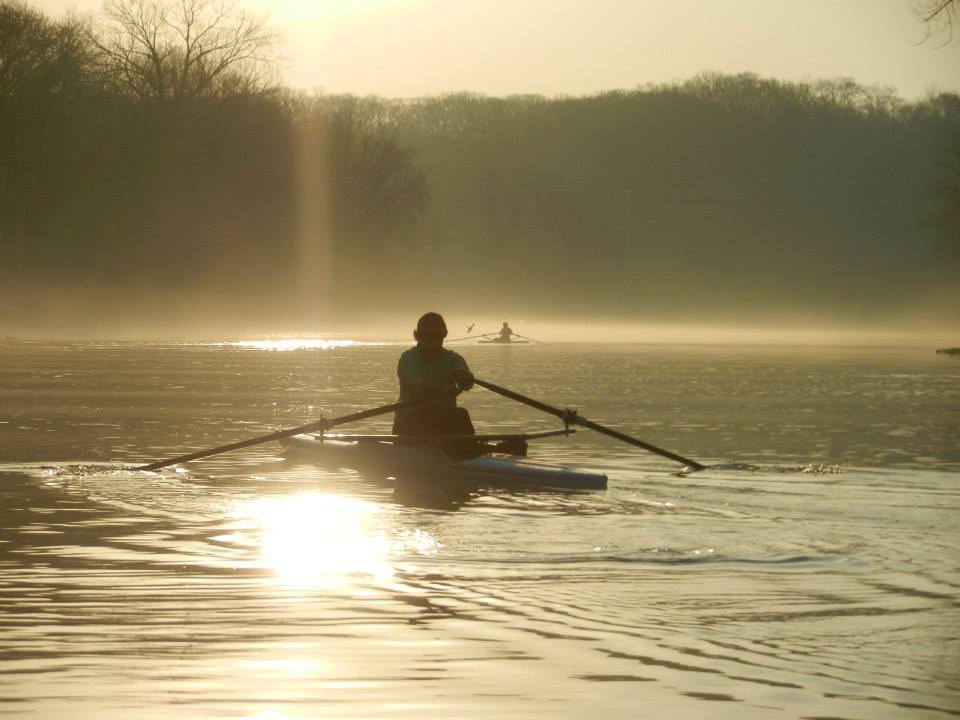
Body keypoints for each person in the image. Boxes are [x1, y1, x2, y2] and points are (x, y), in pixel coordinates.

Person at [393, 312, 478, 458]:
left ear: (445, 335)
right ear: (417, 336)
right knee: (429, 414)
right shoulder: (408, 359)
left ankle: (469, 456)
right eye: (429, 337)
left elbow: (466, 383)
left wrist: (465, 379)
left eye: (439, 336)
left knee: (460, 414)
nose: (435, 341)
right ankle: (461, 455)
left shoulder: (453, 359)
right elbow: (419, 391)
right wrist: (448, 391)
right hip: (411, 422)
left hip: (444, 422)